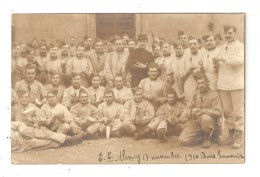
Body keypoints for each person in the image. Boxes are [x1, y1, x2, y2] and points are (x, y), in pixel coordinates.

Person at [214, 25, 244, 149]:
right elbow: (217, 59)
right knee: (227, 112)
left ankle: (239, 137)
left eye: (230, 33)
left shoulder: (240, 46)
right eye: (226, 33)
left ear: (235, 33)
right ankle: (231, 134)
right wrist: (216, 61)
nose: (227, 35)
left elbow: (240, 61)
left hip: (236, 84)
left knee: (237, 112)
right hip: (223, 84)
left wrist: (223, 58)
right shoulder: (223, 47)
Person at [178, 75, 222, 148]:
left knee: (205, 117)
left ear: (207, 83)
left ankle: (208, 137)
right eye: (198, 83)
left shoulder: (214, 94)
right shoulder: (195, 94)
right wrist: (191, 111)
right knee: (183, 140)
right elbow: (188, 107)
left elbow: (219, 112)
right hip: (197, 122)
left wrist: (204, 111)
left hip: (210, 122)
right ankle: (201, 137)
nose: (200, 85)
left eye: (202, 83)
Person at [11, 121, 83, 152]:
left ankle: (70, 139)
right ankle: (64, 143)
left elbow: (18, 124)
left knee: (45, 133)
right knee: (46, 143)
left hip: (22, 133)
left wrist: (23, 131)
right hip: (21, 144)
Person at [182, 37, 202, 103]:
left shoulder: (203, 54)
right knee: (190, 103)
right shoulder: (185, 56)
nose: (192, 46)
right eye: (190, 44)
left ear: (198, 44)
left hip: (201, 82)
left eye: (194, 44)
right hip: (189, 82)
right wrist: (187, 71)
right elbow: (181, 74)